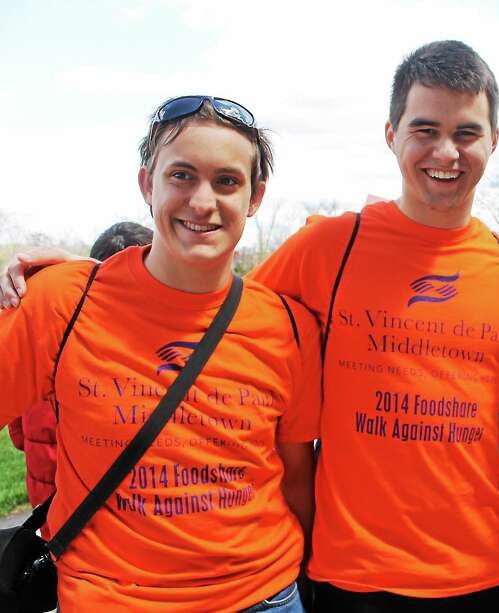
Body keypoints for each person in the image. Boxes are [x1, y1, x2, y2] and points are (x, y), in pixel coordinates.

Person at [0, 41, 499, 612]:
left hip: (448, 574)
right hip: (331, 576)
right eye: (425, 129)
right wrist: (77, 275)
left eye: (467, 133)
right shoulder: (329, 247)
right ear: (391, 134)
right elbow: (191, 286)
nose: (445, 151)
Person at [0, 96, 321, 611]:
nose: (202, 201)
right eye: (181, 176)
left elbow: (296, 479)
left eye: (227, 181)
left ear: (255, 197)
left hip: (264, 598)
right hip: (110, 599)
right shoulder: (63, 301)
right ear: (147, 183)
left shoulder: (288, 326)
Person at [7, 222, 153, 539]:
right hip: (111, 533)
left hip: (49, 518)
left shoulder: (43, 336)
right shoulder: (132, 357)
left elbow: (19, 437)